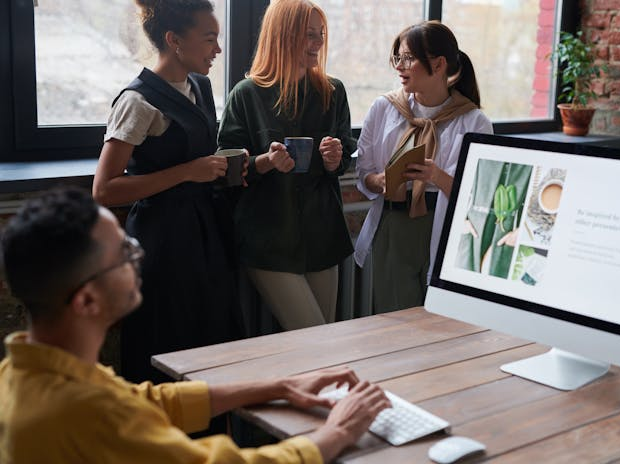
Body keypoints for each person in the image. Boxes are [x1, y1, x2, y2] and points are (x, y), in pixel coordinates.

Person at [0, 187, 390, 464]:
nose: (139, 254)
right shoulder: (83, 413)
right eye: (124, 251)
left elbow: (145, 402)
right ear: (86, 300)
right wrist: (336, 433)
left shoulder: (23, 371)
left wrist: (282, 387)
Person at [93, 0, 243, 383]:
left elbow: (203, 165)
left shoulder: (201, 87)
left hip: (205, 233)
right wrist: (188, 172)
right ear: (174, 40)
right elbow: (105, 190)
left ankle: (210, 437)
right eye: (210, 39)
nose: (218, 50)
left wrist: (249, 165)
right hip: (162, 241)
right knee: (168, 342)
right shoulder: (137, 102)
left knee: (211, 341)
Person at [217, 0, 355, 331]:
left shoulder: (333, 92)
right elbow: (226, 167)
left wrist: (337, 158)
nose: (318, 43)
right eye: (309, 34)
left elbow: (346, 152)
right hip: (268, 241)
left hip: (322, 236)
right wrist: (264, 162)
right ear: (282, 35)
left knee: (324, 338)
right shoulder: (246, 95)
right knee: (313, 339)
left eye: (320, 34)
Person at [354, 21, 494, 314]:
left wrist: (436, 176)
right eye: (398, 58)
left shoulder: (473, 121)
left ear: (439, 64)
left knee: (441, 327)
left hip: (445, 230)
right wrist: (378, 180)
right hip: (394, 226)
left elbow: (480, 196)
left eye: (408, 58)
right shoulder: (384, 109)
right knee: (394, 325)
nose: (399, 66)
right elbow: (363, 172)